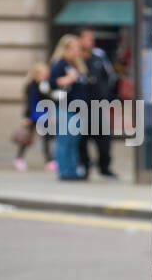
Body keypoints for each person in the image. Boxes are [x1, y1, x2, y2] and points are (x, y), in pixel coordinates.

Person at [48, 34, 89, 181]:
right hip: (65, 108)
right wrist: (69, 78)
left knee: (73, 142)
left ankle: (72, 170)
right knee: (64, 141)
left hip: (78, 109)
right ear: (66, 49)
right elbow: (52, 83)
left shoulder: (76, 65)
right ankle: (64, 171)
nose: (78, 51)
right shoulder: (59, 64)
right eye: (75, 48)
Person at [78, 27, 118, 178]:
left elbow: (110, 76)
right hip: (80, 107)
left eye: (92, 38)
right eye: (88, 38)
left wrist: (107, 95)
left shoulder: (99, 56)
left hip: (98, 105)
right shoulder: (76, 58)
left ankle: (104, 167)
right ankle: (84, 167)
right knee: (81, 140)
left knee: (104, 138)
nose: (91, 41)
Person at [18, 62, 52, 172]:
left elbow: (49, 99)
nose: (45, 75)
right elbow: (28, 102)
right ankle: (19, 158)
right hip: (33, 115)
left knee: (46, 139)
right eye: (43, 73)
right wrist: (26, 117)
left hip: (44, 115)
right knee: (26, 138)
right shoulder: (31, 86)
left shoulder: (46, 84)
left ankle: (49, 160)